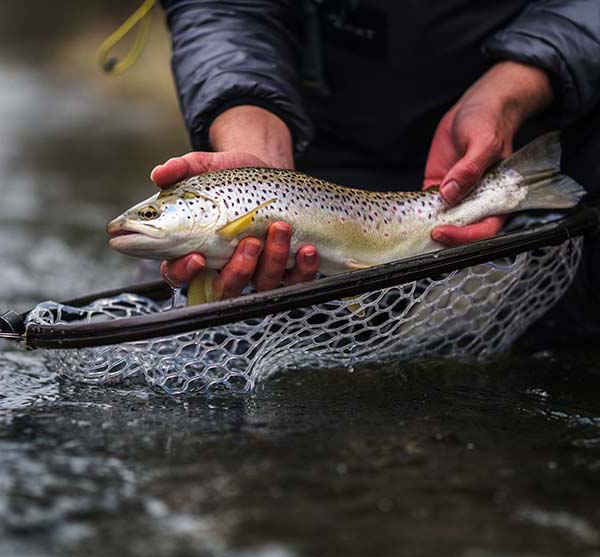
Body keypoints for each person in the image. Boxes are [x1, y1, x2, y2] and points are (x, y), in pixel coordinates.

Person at [153, 1, 600, 341]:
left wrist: (512, 89)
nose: (129, 224)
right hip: (319, 140)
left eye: (151, 216)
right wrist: (252, 137)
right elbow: (225, 9)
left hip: (547, 111)